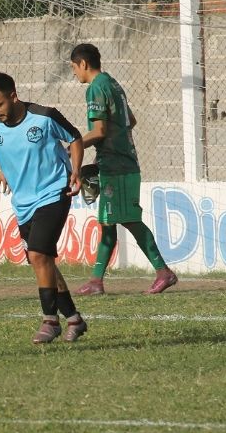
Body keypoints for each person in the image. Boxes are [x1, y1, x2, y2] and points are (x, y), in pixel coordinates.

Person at [0, 72, 88, 343]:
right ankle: (74, 319)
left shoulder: (44, 117)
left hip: (55, 192)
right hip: (24, 202)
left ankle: (50, 320)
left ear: (13, 96)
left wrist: (75, 171)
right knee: (42, 261)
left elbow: (75, 138)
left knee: (39, 254)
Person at [69, 43, 178, 295]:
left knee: (128, 220)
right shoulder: (113, 84)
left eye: (74, 67)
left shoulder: (96, 88)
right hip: (119, 161)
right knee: (109, 222)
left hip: (118, 166)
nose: (75, 73)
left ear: (83, 64)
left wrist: (73, 146)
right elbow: (131, 120)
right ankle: (96, 281)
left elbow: (99, 130)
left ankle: (163, 271)